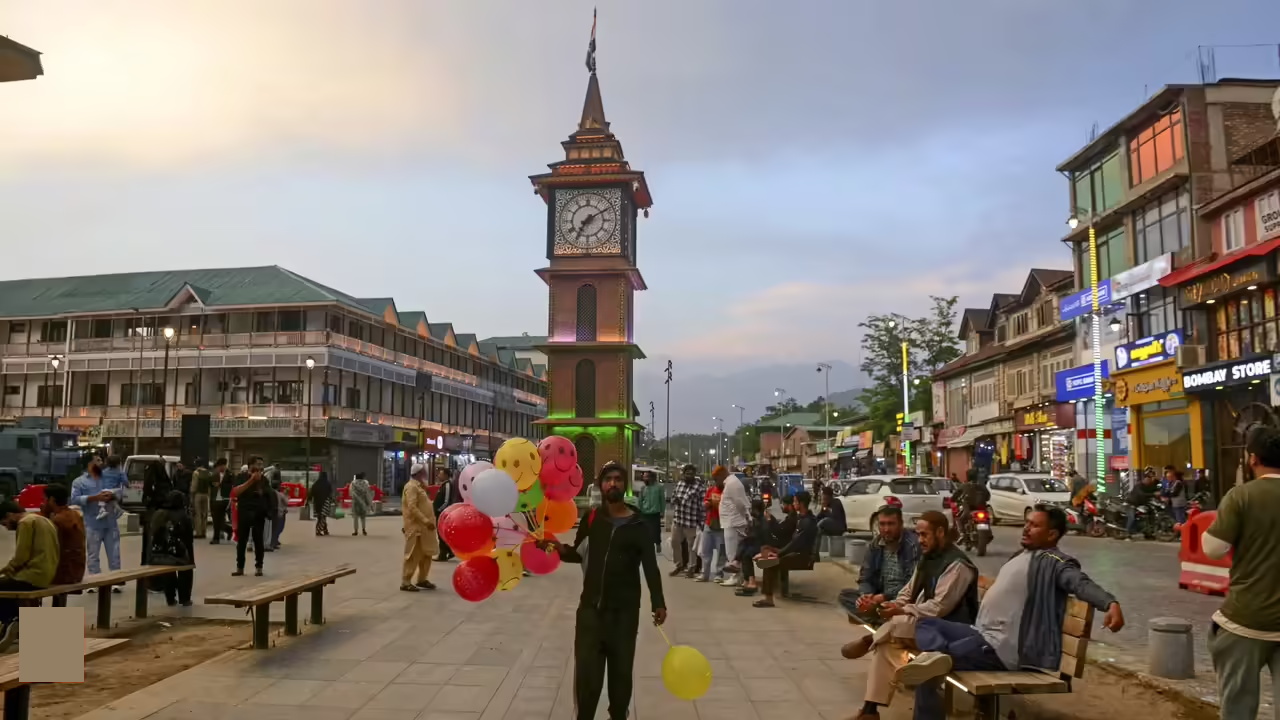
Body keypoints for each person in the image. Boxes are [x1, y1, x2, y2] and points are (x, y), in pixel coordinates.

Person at [847, 506, 1123, 720]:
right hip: (979, 634)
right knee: (927, 626)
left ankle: (938, 658)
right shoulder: (1021, 556)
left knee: (926, 670)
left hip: (999, 648)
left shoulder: (1054, 562)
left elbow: (1079, 582)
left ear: (1051, 535)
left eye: (1034, 526)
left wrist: (1109, 603)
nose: (1025, 529)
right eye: (1026, 523)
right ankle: (938, 654)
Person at [539, 462, 666, 720]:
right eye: (608, 479)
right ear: (601, 485)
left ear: (625, 485)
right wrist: (555, 547)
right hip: (590, 615)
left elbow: (651, 568)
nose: (613, 484)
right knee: (588, 681)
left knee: (620, 681)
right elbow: (577, 553)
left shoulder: (639, 525)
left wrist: (658, 602)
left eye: (618, 479)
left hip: (624, 616)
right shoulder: (592, 519)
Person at [1201, 426, 1280, 720]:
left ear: (1253, 459)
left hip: (1245, 619)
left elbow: (1214, 549)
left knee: (1238, 707)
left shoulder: (1241, 496)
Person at [839, 506, 920, 628]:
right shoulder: (876, 544)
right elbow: (865, 576)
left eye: (891, 524)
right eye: (882, 524)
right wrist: (866, 596)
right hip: (878, 598)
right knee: (845, 596)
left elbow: (912, 584)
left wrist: (883, 597)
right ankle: (880, 619)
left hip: (901, 599)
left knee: (906, 607)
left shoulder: (912, 545)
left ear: (901, 524)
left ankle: (879, 619)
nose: (886, 529)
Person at [0, 500, 59, 649]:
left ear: (10, 515)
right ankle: (11, 621)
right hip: (46, 573)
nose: (6, 528)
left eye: (4, 523)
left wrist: (4, 570)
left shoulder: (25, 523)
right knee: (8, 585)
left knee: (3, 587)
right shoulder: (42, 519)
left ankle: (12, 620)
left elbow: (21, 557)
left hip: (33, 575)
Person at [752, 490, 818, 608]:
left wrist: (778, 554)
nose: (793, 504)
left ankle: (768, 599)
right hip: (796, 552)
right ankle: (768, 593)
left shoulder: (807, 522)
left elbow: (796, 544)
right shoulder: (802, 518)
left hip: (801, 556)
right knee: (767, 550)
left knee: (769, 563)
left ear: (801, 504)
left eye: (795, 501)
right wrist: (775, 551)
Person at [70, 454, 123, 593]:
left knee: (114, 552)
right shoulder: (79, 482)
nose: (101, 463)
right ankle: (94, 580)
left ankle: (115, 580)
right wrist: (94, 498)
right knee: (93, 553)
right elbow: (74, 499)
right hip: (92, 523)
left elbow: (120, 491)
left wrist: (113, 495)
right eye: (98, 461)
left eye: (101, 460)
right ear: (89, 464)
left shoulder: (108, 478)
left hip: (110, 522)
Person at [40, 484, 85, 607]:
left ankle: (28, 624)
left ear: (52, 500)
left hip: (65, 572)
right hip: (76, 570)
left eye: (45, 499)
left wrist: (44, 514)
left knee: (27, 583)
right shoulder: (74, 515)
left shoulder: (59, 520)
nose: (43, 503)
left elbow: (50, 548)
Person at [148, 490, 195, 606]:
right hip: (177, 554)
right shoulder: (184, 516)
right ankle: (185, 598)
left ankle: (170, 598)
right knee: (186, 570)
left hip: (158, 555)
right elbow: (189, 540)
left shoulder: (158, 514)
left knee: (168, 572)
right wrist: (191, 559)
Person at [401, 463, 438, 591]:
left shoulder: (419, 486)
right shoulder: (411, 487)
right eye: (424, 472)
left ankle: (422, 579)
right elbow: (412, 507)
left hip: (426, 528)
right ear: (418, 474)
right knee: (413, 555)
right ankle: (405, 582)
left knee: (426, 554)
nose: (426, 474)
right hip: (416, 527)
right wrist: (425, 520)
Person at [232, 459, 271, 577]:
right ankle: (240, 567)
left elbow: (265, 494)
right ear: (251, 465)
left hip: (258, 512)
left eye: (261, 465)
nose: (260, 467)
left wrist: (258, 483)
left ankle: (259, 566)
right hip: (244, 511)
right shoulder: (241, 477)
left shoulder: (264, 480)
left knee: (258, 540)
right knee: (242, 541)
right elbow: (236, 492)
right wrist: (251, 480)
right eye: (258, 464)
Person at [668, 465, 704, 578]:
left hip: (691, 522)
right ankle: (679, 565)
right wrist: (675, 500)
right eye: (687, 473)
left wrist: (702, 523)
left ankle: (692, 567)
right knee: (674, 542)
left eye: (691, 474)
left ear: (694, 474)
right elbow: (672, 498)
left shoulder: (699, 487)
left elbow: (702, 506)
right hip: (678, 520)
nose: (689, 476)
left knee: (691, 547)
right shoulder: (679, 484)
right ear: (683, 474)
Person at [718, 467, 751, 585]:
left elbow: (740, 503)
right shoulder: (731, 482)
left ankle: (735, 577)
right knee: (734, 551)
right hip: (732, 521)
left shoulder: (732, 484)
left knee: (732, 552)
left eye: (716, 478)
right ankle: (739, 576)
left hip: (734, 522)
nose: (716, 481)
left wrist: (745, 517)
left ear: (721, 474)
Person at [698, 468, 727, 583]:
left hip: (721, 525)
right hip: (709, 523)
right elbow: (704, 503)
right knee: (705, 551)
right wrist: (707, 503)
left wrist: (718, 504)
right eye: (715, 479)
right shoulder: (711, 490)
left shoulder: (727, 492)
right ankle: (704, 574)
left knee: (721, 552)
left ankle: (719, 574)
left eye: (718, 479)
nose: (716, 482)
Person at [637, 471, 666, 556]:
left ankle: (658, 544)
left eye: (646, 477)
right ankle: (645, 547)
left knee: (656, 530)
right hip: (644, 513)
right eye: (644, 477)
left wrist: (662, 511)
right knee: (644, 531)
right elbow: (640, 500)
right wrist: (639, 510)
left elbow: (662, 501)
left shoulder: (659, 487)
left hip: (655, 512)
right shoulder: (643, 488)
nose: (644, 478)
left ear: (652, 478)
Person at [432, 467, 457, 561]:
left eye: (441, 474)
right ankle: (448, 552)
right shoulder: (443, 485)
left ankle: (443, 554)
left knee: (441, 534)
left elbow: (446, 501)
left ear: (446, 475)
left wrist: (439, 510)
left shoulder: (447, 485)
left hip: (442, 514)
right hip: (439, 513)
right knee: (441, 534)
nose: (439, 476)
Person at [1125, 471, 1159, 538]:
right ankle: (1127, 533)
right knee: (1132, 517)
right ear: (1144, 479)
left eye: (1150, 480)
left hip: (1140, 504)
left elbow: (1154, 490)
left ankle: (1148, 533)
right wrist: (1153, 494)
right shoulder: (1138, 485)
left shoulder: (1149, 486)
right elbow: (1142, 494)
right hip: (1131, 504)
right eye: (1147, 479)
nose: (1149, 481)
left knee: (1148, 515)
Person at [210, 459, 233, 544]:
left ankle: (227, 531)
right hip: (215, 499)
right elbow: (210, 484)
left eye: (223, 466)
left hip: (225, 500)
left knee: (220, 520)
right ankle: (217, 538)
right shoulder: (214, 475)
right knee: (216, 520)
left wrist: (221, 485)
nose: (221, 468)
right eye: (219, 466)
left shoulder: (230, 475)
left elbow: (233, 486)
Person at [189, 458, 213, 539]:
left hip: (198, 495)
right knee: (204, 514)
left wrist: (192, 495)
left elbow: (194, 486)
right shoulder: (208, 473)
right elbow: (210, 486)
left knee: (198, 514)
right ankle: (204, 531)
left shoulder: (196, 473)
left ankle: (199, 532)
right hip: (206, 495)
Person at [349, 472, 373, 537]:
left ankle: (355, 531)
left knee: (355, 518)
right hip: (363, 502)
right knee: (363, 517)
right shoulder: (365, 483)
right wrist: (370, 504)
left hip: (355, 503)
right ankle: (364, 530)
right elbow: (368, 493)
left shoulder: (353, 483)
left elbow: (350, 493)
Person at [311, 471, 334, 536]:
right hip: (325, 502)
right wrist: (333, 500)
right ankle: (318, 531)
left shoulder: (316, 484)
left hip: (316, 503)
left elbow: (311, 493)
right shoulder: (327, 484)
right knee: (323, 518)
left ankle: (325, 530)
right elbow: (330, 493)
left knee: (320, 517)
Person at [270, 475, 288, 550]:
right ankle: (274, 542)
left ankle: (273, 541)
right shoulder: (280, 494)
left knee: (273, 528)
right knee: (279, 528)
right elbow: (286, 502)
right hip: (280, 513)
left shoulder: (270, 493)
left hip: (272, 513)